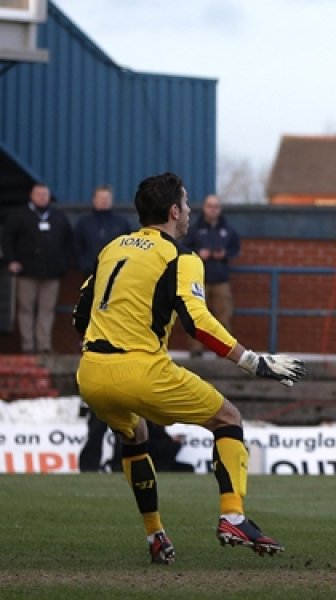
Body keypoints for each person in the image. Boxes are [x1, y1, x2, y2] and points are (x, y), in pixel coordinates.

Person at [73, 172, 305, 565]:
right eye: (187, 203)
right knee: (227, 419)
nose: (191, 211)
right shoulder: (181, 256)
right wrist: (251, 361)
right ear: (174, 210)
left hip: (91, 374)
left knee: (135, 436)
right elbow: (197, 322)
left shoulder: (111, 248)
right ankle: (233, 516)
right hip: (141, 370)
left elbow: (80, 316)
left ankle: (155, 535)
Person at [74, 184, 133, 472]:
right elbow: (80, 322)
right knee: (100, 419)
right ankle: (91, 464)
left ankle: (121, 464)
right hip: (100, 362)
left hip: (122, 363)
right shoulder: (91, 291)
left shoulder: (127, 298)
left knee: (127, 420)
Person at [2, 183, 73, 354]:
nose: (42, 197)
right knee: (26, 309)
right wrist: (11, 260)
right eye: (38, 194)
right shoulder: (19, 215)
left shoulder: (58, 217)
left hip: (52, 273)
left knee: (47, 310)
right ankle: (27, 346)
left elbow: (68, 242)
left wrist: (64, 264)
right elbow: (7, 239)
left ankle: (44, 345)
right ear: (31, 195)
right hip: (26, 271)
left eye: (45, 194)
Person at [183, 194, 241, 358]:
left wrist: (224, 255)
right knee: (196, 317)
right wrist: (199, 254)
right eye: (209, 206)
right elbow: (184, 248)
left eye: (216, 206)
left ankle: (224, 350)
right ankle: (196, 349)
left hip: (221, 278)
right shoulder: (194, 229)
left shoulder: (228, 229)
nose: (212, 209)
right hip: (198, 280)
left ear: (220, 209)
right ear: (204, 208)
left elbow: (236, 249)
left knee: (224, 315)